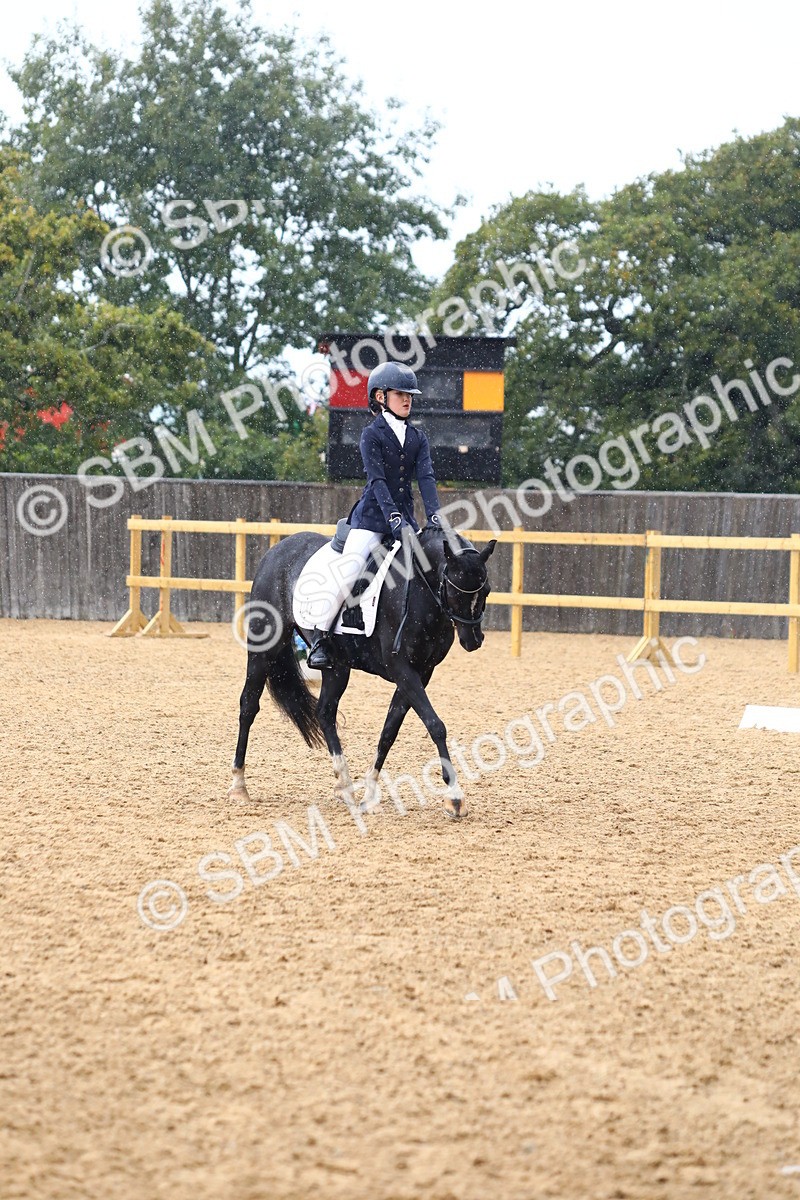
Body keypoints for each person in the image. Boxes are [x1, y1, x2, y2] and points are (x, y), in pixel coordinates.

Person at [307, 361, 443, 669]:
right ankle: (319, 639)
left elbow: (426, 479)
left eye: (410, 395)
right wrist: (392, 518)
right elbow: (377, 481)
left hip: (405, 521)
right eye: (400, 394)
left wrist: (434, 516)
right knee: (350, 570)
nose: (408, 399)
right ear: (380, 397)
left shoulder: (418, 438)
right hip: (371, 520)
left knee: (425, 570)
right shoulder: (371, 435)